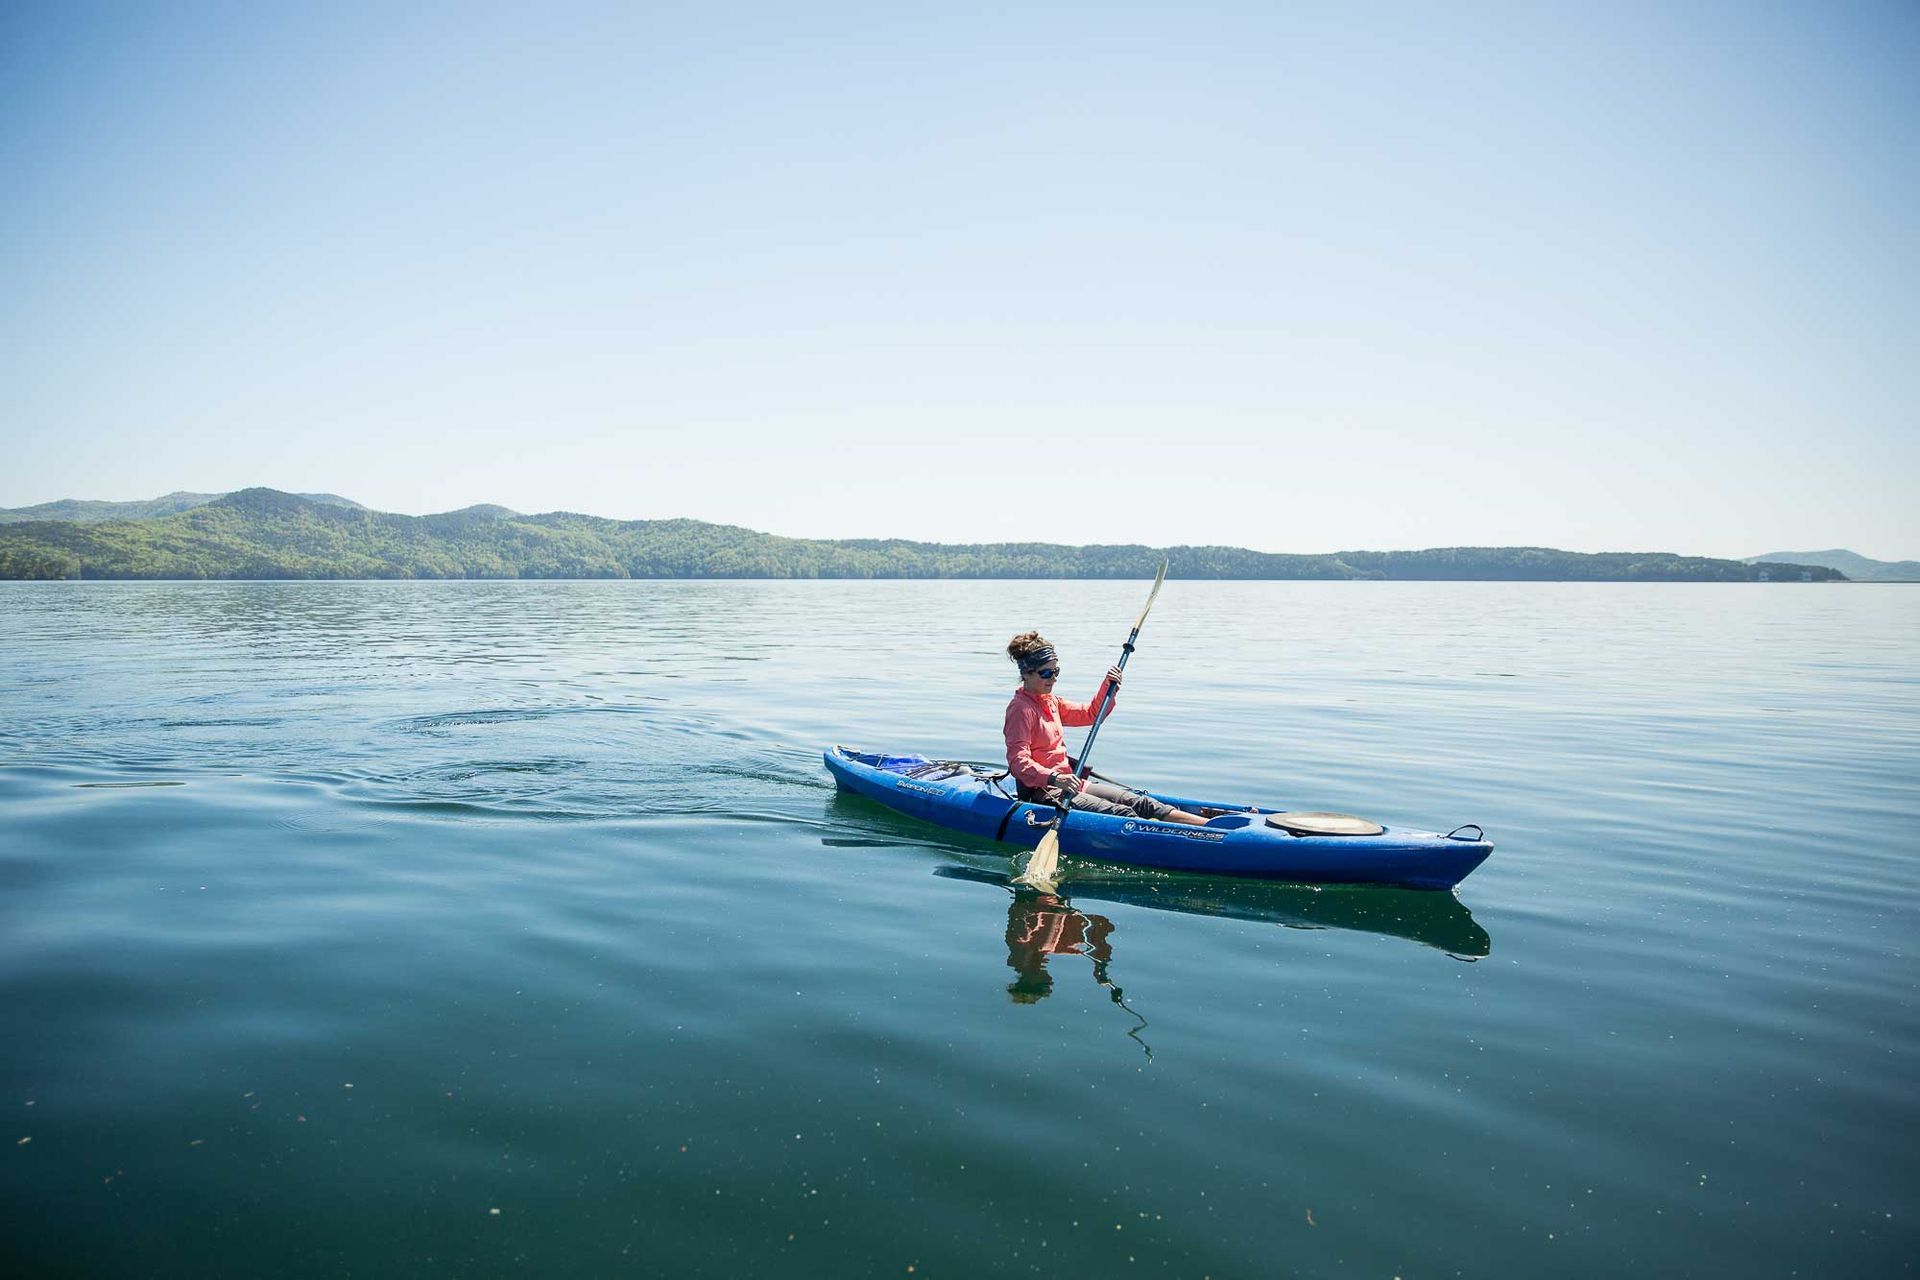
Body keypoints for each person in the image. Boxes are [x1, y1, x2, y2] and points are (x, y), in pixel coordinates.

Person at [1002, 631, 1208, 825]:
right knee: (1123, 815)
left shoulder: (1051, 701)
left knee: (1142, 803)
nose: (1053, 678)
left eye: (1056, 671)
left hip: (1072, 785)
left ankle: (1211, 827)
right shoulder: (1020, 709)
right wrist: (1055, 777)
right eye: (1046, 673)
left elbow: (1091, 714)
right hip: (1044, 792)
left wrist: (1108, 686)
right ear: (1026, 674)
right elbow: (1018, 762)